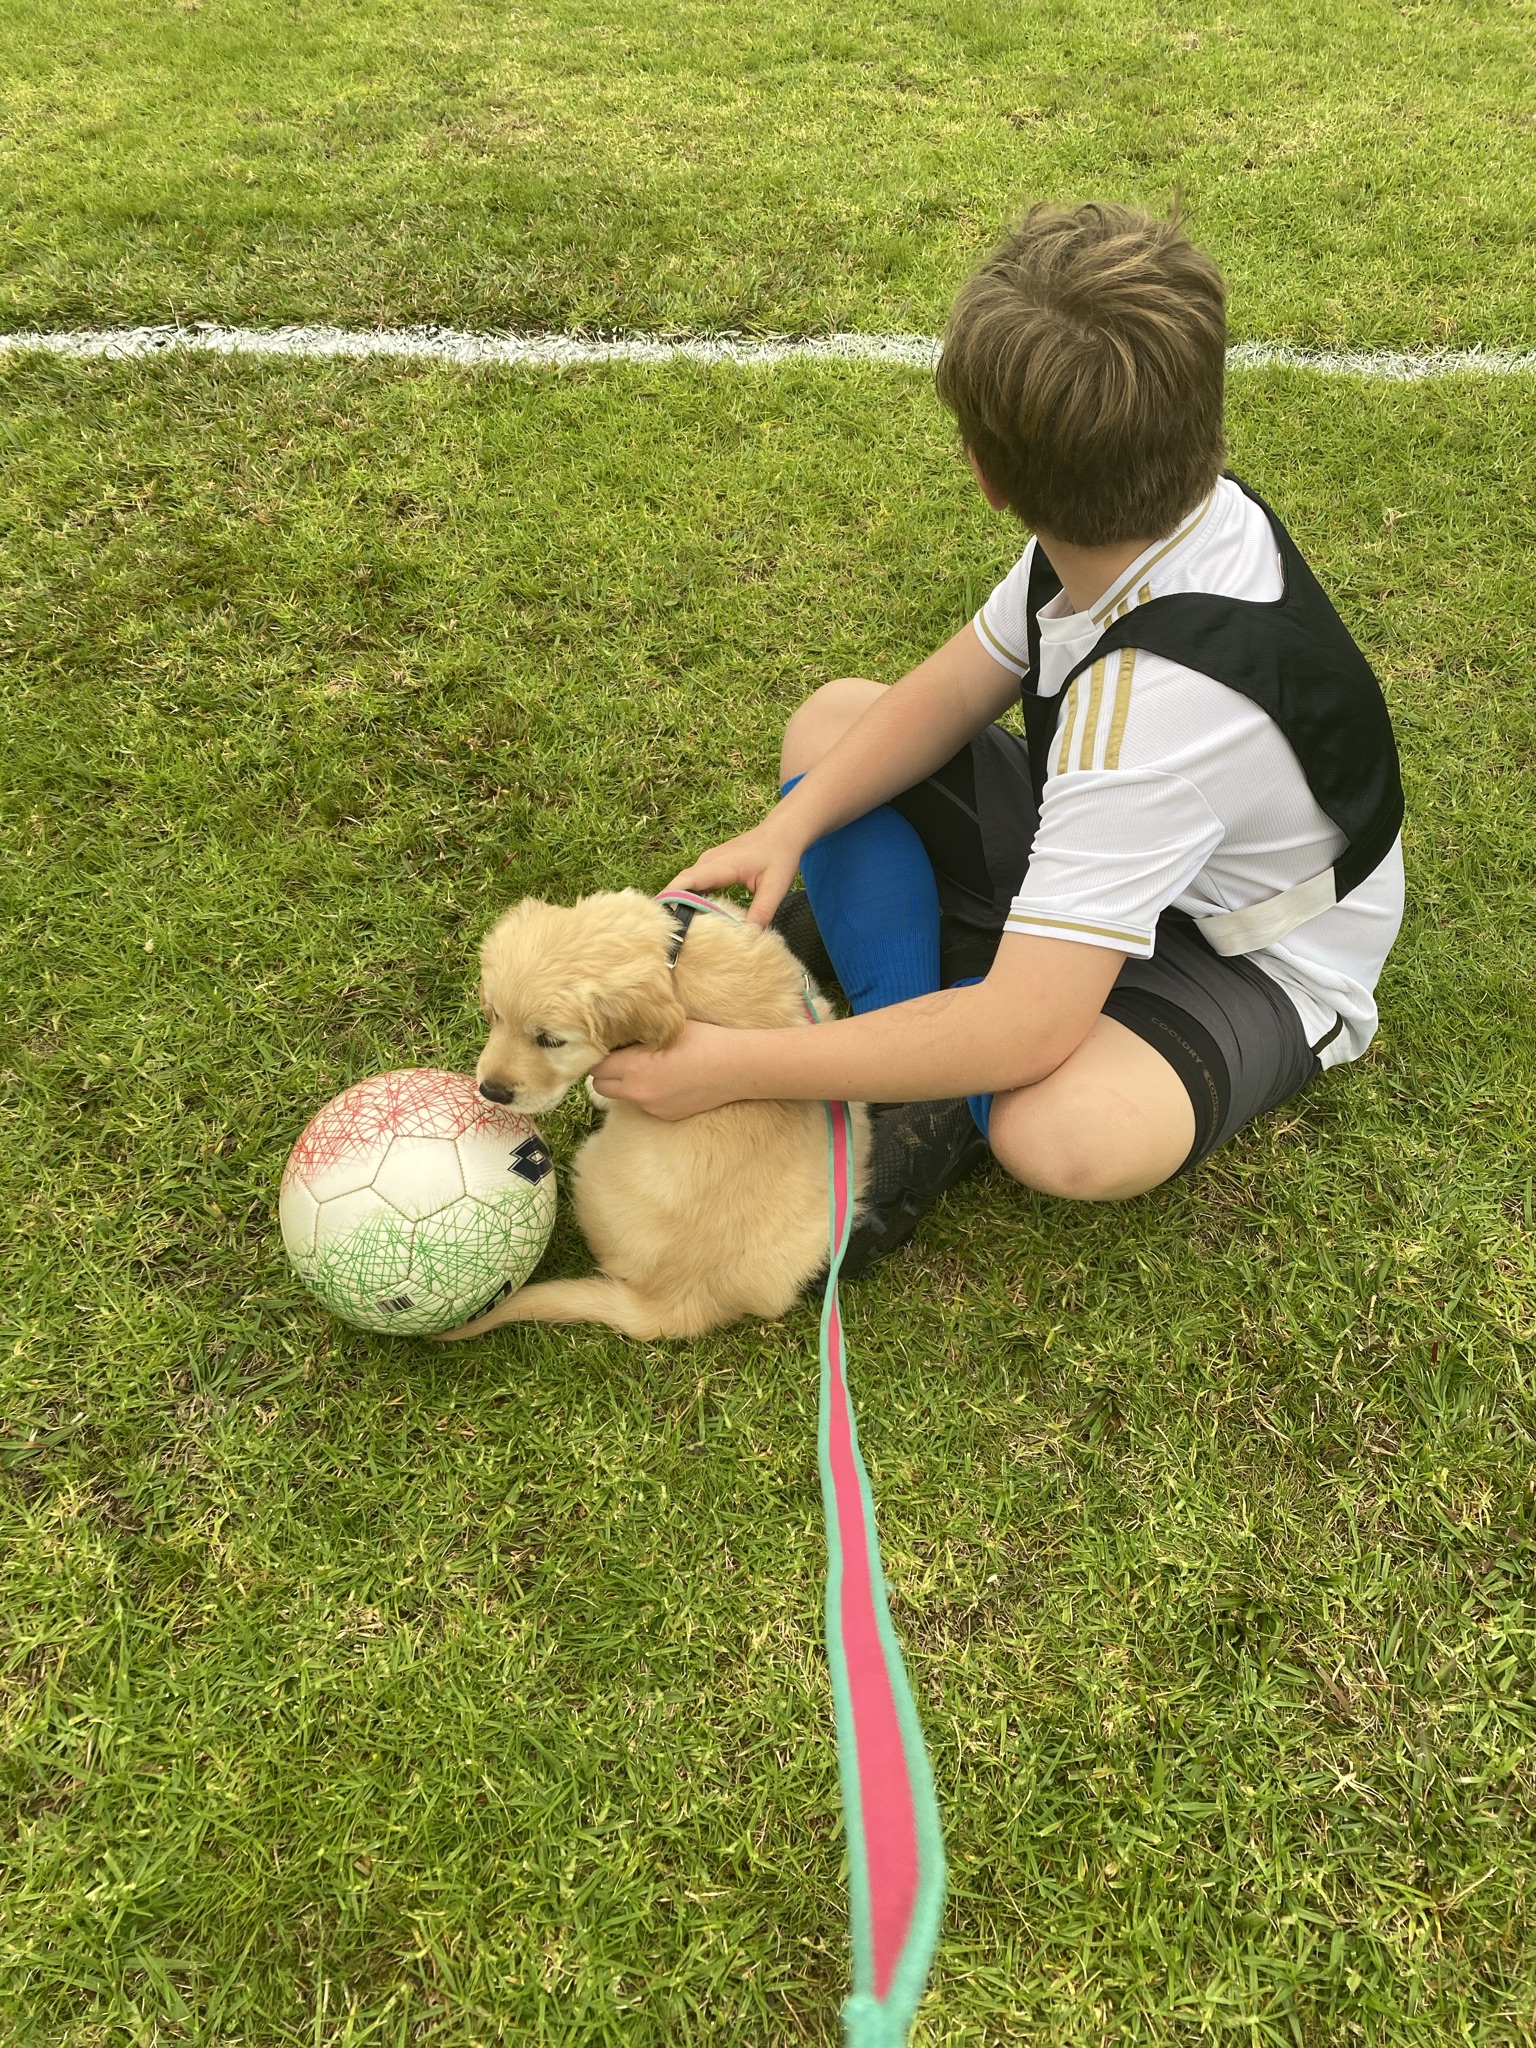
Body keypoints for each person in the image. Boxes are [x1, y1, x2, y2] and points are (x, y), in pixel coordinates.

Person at [593, 202, 1406, 1275]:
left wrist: (736, 1067)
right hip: (1138, 842)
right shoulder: (1154, 517)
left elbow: (1027, 1029)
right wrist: (788, 823)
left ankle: (918, 1073)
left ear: (985, 473)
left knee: (1064, 1129)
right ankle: (923, 1015)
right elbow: (958, 682)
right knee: (836, 727)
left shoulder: (1150, 719)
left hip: (1251, 955)